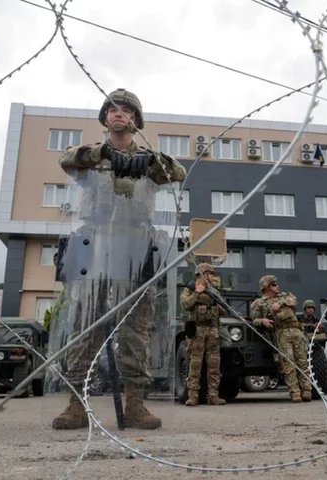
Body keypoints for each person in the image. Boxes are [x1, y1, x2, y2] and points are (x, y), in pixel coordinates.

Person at [51, 88, 186, 430]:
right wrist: (105, 155)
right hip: (95, 245)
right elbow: (67, 161)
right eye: (112, 108)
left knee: (136, 332)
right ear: (105, 118)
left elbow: (178, 173)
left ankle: (136, 405)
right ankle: (76, 405)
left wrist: (151, 161)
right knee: (85, 327)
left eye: (126, 109)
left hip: (136, 246)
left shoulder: (149, 158)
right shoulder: (90, 155)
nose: (118, 113)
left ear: (135, 120)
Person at [251, 275, 311, 403]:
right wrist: (262, 320)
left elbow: (294, 300)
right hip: (281, 333)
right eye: (273, 285)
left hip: (296, 330)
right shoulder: (259, 303)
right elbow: (254, 320)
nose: (277, 286)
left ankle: (306, 390)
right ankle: (295, 392)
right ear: (266, 287)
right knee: (289, 363)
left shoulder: (285, 296)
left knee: (302, 361)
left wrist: (280, 303)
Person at [179, 263, 227, 406]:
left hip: (213, 330)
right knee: (195, 365)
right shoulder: (189, 289)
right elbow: (185, 305)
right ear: (202, 274)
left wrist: (215, 302)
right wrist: (197, 293)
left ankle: (213, 396)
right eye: (210, 274)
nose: (212, 276)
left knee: (214, 365)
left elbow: (224, 310)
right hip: (197, 330)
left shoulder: (214, 291)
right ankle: (193, 396)